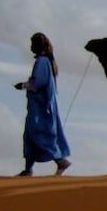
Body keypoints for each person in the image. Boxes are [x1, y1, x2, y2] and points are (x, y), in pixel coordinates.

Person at [14, 32, 71, 176]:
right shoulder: (46, 62)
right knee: (30, 137)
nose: (31, 46)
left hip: (42, 109)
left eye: (33, 43)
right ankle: (28, 169)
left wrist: (23, 85)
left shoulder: (42, 62)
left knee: (41, 136)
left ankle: (60, 160)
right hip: (37, 108)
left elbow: (37, 83)